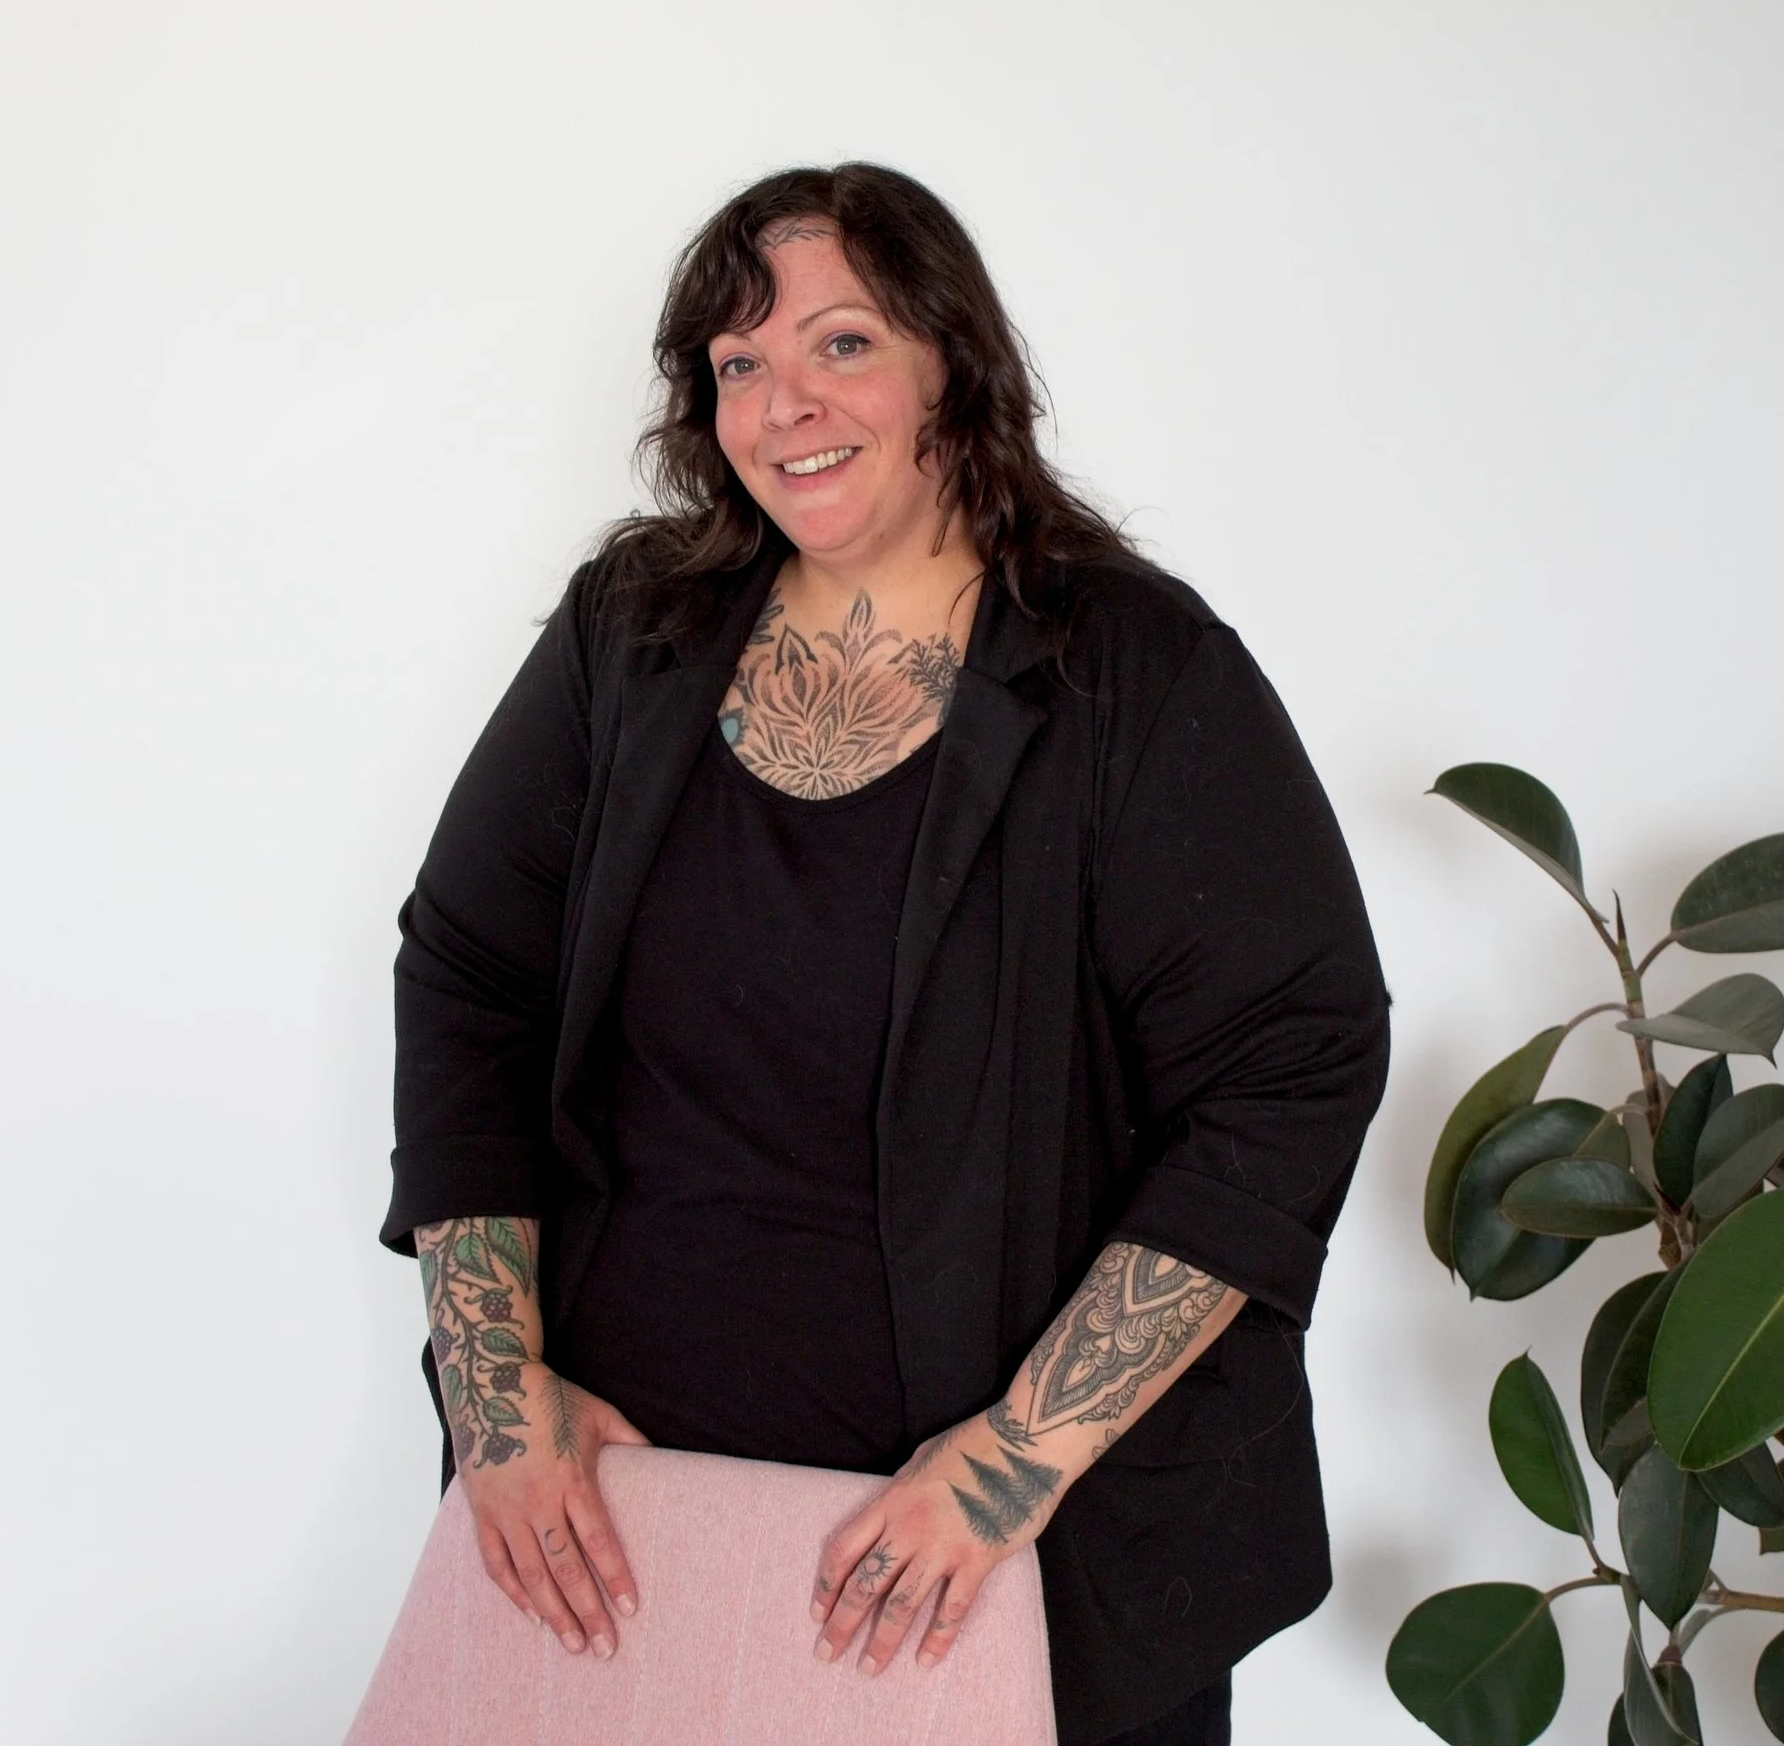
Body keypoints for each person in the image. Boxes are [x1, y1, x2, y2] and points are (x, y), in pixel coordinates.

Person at [382, 161, 1390, 1746]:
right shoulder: (627, 634)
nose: (786, 402)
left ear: (950, 362)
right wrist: (495, 1399)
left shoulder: (1138, 669)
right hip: (634, 1542)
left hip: (1011, 1560)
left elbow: (1293, 1067)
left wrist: (1006, 1468)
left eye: (841, 343)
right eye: (738, 365)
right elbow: (467, 979)